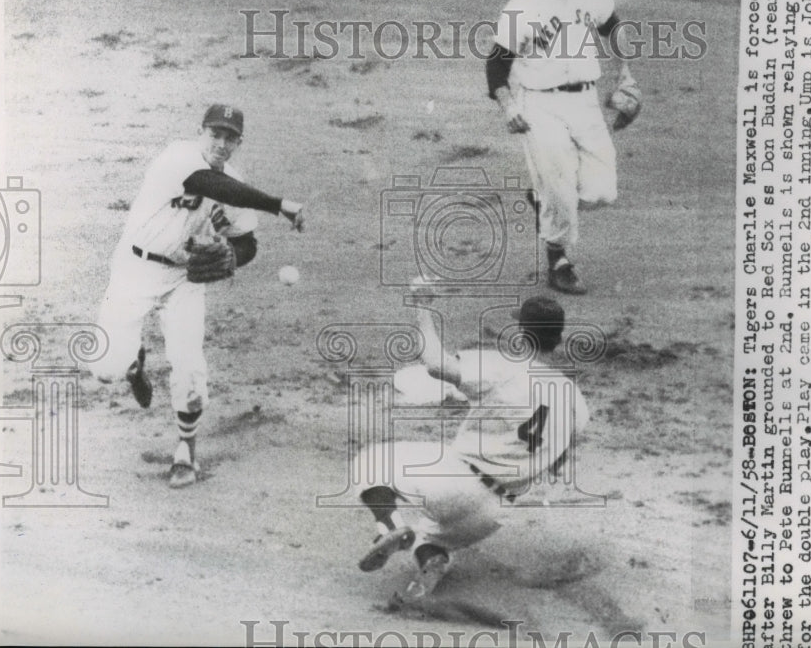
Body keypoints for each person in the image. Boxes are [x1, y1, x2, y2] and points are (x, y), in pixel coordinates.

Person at [93, 104, 305, 489]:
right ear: (200, 132)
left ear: (239, 142)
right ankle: (132, 364)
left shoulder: (235, 184)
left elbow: (247, 243)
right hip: (135, 268)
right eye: (215, 134)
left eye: (230, 138)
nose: (221, 144)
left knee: (189, 365)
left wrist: (231, 259)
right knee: (105, 370)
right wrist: (279, 205)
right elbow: (213, 186)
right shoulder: (178, 158)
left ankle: (185, 452)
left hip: (184, 277)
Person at [353, 281, 589, 602]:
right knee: (433, 536)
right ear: (557, 340)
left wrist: (422, 309)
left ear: (521, 332)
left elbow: (436, 365)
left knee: (370, 462)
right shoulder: (575, 400)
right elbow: (561, 458)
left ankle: (390, 525)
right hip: (493, 514)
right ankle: (432, 558)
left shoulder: (504, 366)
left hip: (455, 482)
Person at [486, 0, 643, 295]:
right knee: (559, 187)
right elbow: (495, 64)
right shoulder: (521, 6)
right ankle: (558, 259)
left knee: (602, 192)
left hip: (585, 103)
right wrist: (508, 106)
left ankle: (542, 200)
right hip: (540, 104)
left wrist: (626, 74)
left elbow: (613, 27)